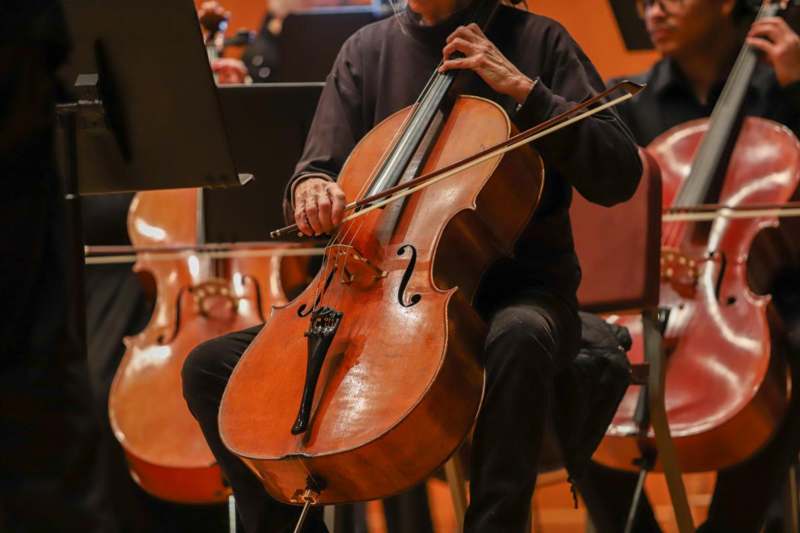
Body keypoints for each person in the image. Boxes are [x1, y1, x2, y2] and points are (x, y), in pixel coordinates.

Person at [181, 0, 643, 531]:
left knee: (518, 336)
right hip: (376, 296)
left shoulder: (541, 41)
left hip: (516, 295)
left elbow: (620, 173)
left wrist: (524, 90)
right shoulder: (366, 51)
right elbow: (315, 169)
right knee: (209, 367)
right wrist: (310, 190)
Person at [576, 1, 800, 531]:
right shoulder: (628, 101)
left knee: (791, 357)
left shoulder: (781, 88)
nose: (652, 9)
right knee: (570, 365)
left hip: (767, 289)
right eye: (645, 2)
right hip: (651, 293)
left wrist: (797, 91)